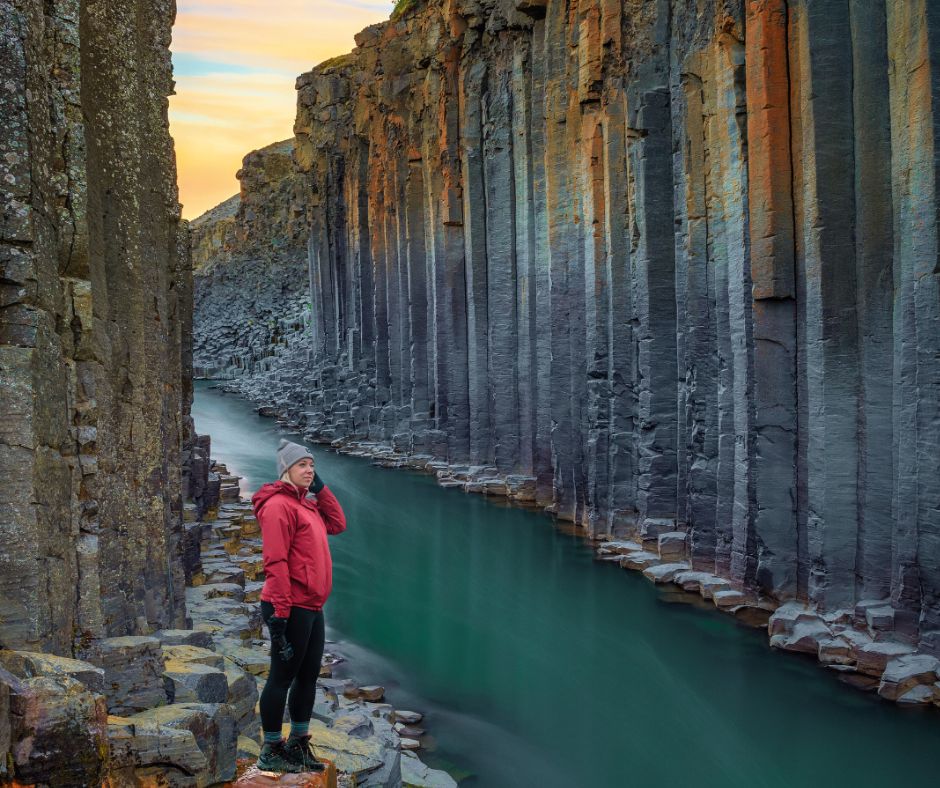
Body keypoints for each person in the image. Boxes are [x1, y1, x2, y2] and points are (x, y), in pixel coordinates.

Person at [252, 438, 347, 773]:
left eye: (312, 465)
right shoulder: (278, 506)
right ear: (285, 470)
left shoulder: (306, 505)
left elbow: (338, 523)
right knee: (281, 677)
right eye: (302, 465)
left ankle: (297, 744)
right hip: (288, 605)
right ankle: (271, 749)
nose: (309, 470)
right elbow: (275, 561)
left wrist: (320, 488)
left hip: (311, 605)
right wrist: (280, 613)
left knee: (307, 677)